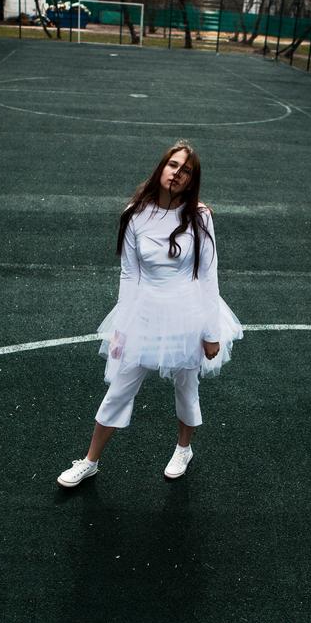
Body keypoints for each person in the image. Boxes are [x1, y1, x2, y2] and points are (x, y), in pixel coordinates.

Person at [57, 140, 243, 487]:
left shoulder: (200, 217)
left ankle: (183, 449)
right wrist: (122, 328)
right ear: (161, 168)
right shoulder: (134, 214)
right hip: (145, 312)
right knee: (120, 388)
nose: (177, 173)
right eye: (173, 165)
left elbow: (208, 275)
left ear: (192, 180)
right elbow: (129, 274)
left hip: (188, 313)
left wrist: (211, 331)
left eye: (185, 170)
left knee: (186, 388)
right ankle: (90, 460)